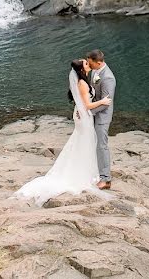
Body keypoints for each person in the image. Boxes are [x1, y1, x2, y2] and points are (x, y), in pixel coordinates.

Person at [13, 59, 112, 206]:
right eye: (86, 64)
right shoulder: (82, 84)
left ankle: (84, 171)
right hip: (84, 116)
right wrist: (103, 101)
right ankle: (80, 174)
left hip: (82, 115)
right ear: (81, 70)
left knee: (81, 142)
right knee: (84, 142)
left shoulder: (83, 81)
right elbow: (87, 105)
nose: (88, 64)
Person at [87, 49, 116, 190]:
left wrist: (88, 112)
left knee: (102, 146)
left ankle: (106, 179)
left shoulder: (108, 78)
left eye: (90, 63)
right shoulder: (95, 71)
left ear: (98, 63)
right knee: (93, 144)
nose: (88, 64)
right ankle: (96, 172)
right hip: (93, 112)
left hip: (102, 117)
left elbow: (106, 102)